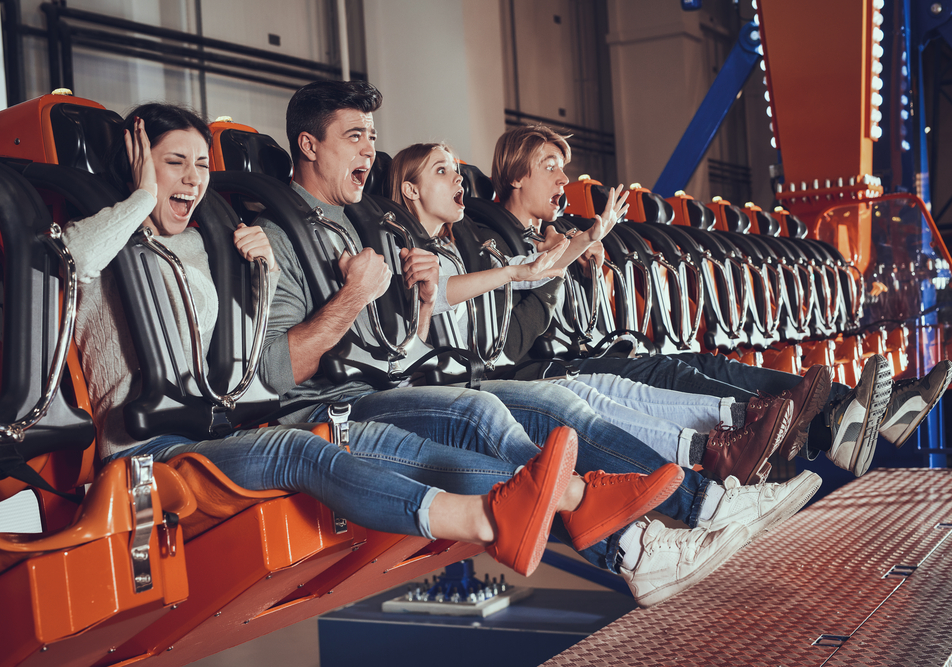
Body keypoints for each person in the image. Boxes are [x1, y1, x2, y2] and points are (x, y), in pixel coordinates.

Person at [255, 79, 823, 606]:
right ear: (308, 144)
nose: (367, 153)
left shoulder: (369, 227)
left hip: (405, 383)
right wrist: (360, 294)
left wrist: (428, 298)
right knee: (507, 418)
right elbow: (286, 370)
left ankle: (673, 518)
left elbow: (410, 338)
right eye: (355, 138)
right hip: (346, 402)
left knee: (551, 409)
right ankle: (676, 518)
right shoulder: (282, 235)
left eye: (372, 140)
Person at [61, 101, 668, 578]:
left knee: (472, 439)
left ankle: (571, 498)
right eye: (174, 163)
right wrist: (140, 196)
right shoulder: (91, 243)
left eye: (201, 165)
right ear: (140, 165)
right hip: (148, 450)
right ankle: (537, 508)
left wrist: (260, 274)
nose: (192, 180)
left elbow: (243, 361)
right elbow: (76, 257)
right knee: (305, 452)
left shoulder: (211, 243)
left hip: (223, 427)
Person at [481, 123, 952, 478]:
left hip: (595, 352)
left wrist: (580, 251)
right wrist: (558, 266)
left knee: (709, 365)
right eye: (550, 168)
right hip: (550, 373)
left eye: (565, 169)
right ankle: (833, 426)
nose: (563, 180)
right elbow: (507, 345)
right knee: (678, 373)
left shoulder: (554, 233)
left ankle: (853, 409)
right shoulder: (488, 243)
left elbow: (581, 295)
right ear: (516, 176)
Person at [389, 141, 796, 485]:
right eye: (442, 171)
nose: (457, 176)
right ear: (410, 189)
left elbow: (532, 272)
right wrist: (522, 268)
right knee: (584, 398)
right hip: (483, 379)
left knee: (620, 385)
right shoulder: (410, 251)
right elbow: (448, 295)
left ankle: (739, 424)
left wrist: (588, 237)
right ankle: (713, 467)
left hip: (500, 369)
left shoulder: (461, 250)